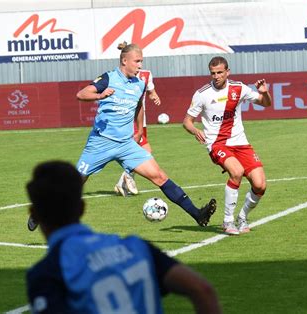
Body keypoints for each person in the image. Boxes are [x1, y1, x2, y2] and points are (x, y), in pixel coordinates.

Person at [25, 160, 222, 314]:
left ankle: (196, 213)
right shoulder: (138, 247)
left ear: (35, 213)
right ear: (82, 207)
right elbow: (202, 290)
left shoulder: (46, 273)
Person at [70, 42, 216, 228]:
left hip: (126, 145)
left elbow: (139, 106)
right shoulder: (108, 78)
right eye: (137, 61)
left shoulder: (140, 84)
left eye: (141, 61)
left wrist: (139, 130)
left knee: (160, 176)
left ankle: (198, 214)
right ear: (125, 61)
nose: (140, 65)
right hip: (101, 142)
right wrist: (100, 96)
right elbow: (81, 94)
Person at [183, 56, 272, 235]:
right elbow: (187, 121)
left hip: (241, 143)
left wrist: (264, 92)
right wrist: (195, 130)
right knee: (237, 172)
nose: (216, 76)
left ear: (227, 72)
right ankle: (228, 221)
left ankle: (242, 217)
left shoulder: (239, 88)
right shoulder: (202, 94)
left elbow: (266, 103)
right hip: (217, 143)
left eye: (219, 73)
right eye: (213, 73)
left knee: (260, 185)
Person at [114, 65, 161, 197]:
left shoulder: (147, 74)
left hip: (141, 122)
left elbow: (151, 91)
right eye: (135, 60)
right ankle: (127, 176)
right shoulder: (120, 75)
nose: (138, 63)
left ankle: (122, 183)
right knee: (146, 151)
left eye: (140, 60)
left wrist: (154, 96)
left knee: (140, 152)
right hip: (129, 121)